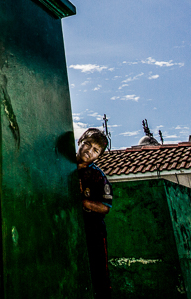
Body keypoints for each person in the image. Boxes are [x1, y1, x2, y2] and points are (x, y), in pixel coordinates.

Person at [76, 127, 112, 299]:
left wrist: (83, 201)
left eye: (96, 150)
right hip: (69, 229)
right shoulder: (61, 165)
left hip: (93, 231)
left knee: (98, 275)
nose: (90, 151)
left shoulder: (98, 176)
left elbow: (106, 207)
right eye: (88, 145)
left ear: (99, 156)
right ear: (80, 142)